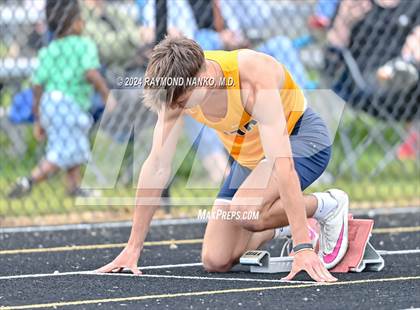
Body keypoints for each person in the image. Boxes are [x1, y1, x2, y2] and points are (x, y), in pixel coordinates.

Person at [97, 37, 349, 283]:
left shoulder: (252, 77)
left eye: (183, 102)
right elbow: (157, 165)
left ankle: (328, 205)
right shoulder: (177, 89)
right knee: (216, 259)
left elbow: (283, 164)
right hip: (250, 157)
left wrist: (303, 246)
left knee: (246, 210)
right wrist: (133, 247)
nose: (178, 107)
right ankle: (289, 222)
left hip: (301, 140)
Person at [7, 0, 114, 198]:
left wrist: (38, 116)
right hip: (69, 104)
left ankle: (73, 187)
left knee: (73, 144)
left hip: (50, 102)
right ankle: (29, 180)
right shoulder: (84, 44)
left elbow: (38, 84)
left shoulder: (50, 49)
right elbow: (91, 72)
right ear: (75, 23)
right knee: (63, 153)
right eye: (81, 18)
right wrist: (107, 95)